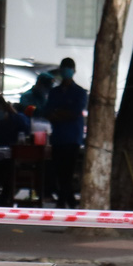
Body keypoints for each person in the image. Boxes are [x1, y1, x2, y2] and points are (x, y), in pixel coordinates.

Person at [44, 57, 87, 207]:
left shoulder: (80, 92)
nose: (66, 71)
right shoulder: (54, 92)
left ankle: (62, 202)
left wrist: (58, 114)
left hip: (72, 138)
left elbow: (74, 113)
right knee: (59, 171)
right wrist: (61, 114)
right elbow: (48, 112)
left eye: (68, 68)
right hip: (58, 137)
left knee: (67, 171)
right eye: (64, 68)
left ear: (73, 71)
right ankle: (70, 201)